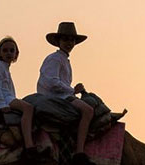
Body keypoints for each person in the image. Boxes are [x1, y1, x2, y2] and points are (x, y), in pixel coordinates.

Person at [31, 21, 96, 157]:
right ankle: (79, 150)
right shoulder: (55, 59)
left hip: (62, 96)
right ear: (59, 41)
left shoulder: (63, 59)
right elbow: (52, 82)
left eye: (71, 39)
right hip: (56, 97)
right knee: (88, 111)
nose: (69, 42)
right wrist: (72, 90)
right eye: (65, 39)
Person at [0, 36, 37, 151]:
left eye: (12, 50)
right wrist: (1, 106)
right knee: (28, 108)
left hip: (6, 97)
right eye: (5, 50)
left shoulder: (4, 68)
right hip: (1, 99)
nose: (9, 53)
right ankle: (29, 144)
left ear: (16, 54)